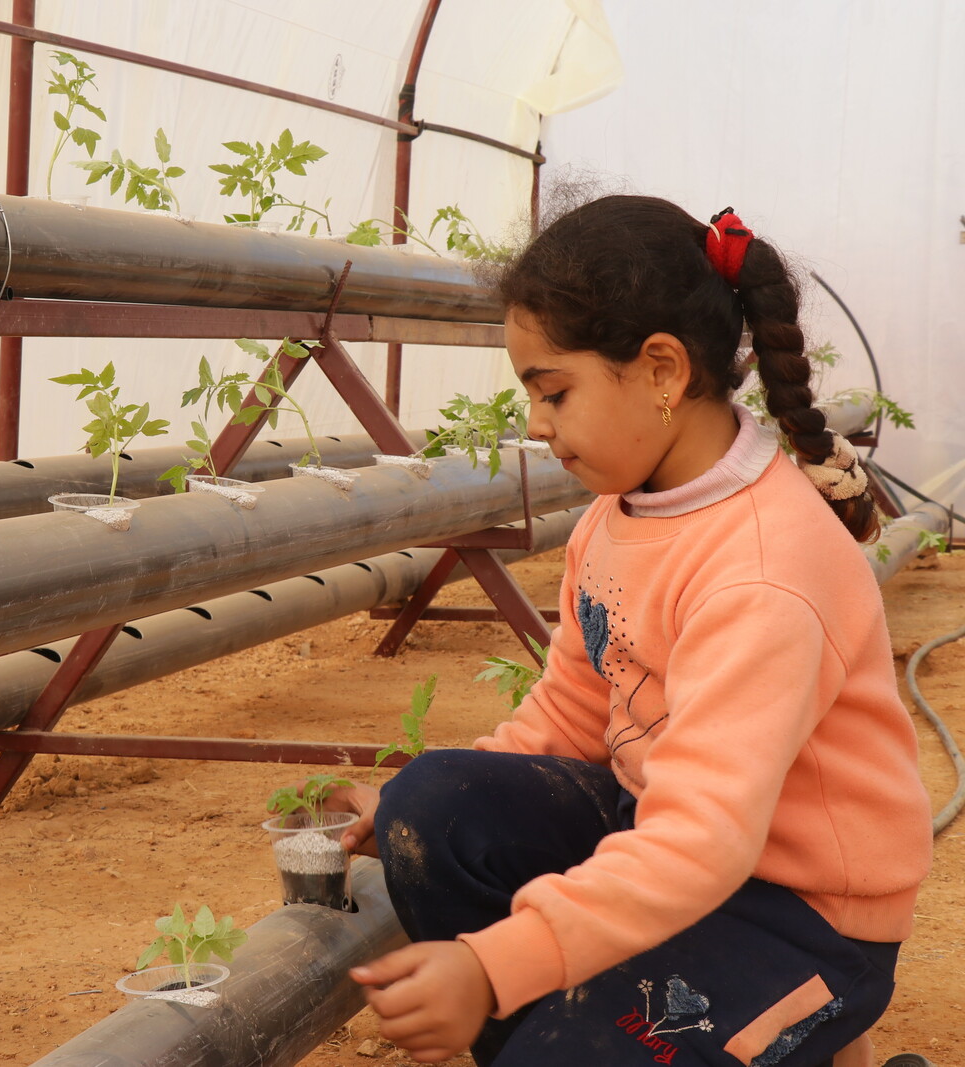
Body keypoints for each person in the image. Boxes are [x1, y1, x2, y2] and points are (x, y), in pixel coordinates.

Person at [325, 196, 933, 1066]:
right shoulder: (618, 518)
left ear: (661, 371)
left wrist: (491, 966)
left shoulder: (763, 570)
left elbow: (702, 840)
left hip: (798, 913)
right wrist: (407, 812)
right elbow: (575, 707)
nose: (535, 422)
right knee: (435, 809)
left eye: (553, 391)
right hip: (664, 839)